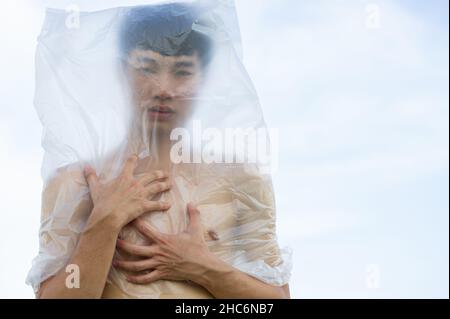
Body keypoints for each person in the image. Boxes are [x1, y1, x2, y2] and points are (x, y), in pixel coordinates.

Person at [34, 3, 290, 299]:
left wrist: (202, 267)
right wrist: (104, 223)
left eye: (182, 71)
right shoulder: (76, 184)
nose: (163, 88)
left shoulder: (240, 181)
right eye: (147, 67)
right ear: (122, 71)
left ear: (203, 79)